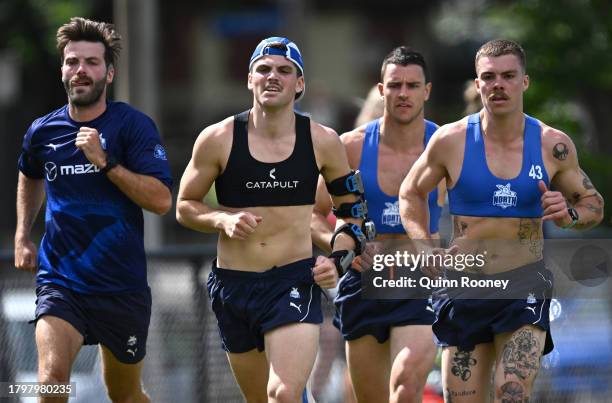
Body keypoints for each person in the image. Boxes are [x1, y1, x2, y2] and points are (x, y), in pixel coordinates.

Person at [399, 39, 604, 402]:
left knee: (511, 392)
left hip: (523, 286)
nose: (498, 85)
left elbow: (593, 205)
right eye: (489, 77)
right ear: (477, 85)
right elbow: (410, 194)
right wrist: (424, 244)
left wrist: (569, 215)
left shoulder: (551, 144)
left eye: (508, 76)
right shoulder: (451, 140)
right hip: (464, 286)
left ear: (524, 81)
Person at [176, 36, 367, 402]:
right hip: (234, 285)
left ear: (300, 84)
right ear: (250, 79)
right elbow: (185, 205)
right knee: (260, 399)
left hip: (292, 280)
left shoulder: (323, 141)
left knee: (281, 393)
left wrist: (338, 260)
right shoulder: (217, 139)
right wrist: (222, 220)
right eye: (263, 69)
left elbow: (353, 215)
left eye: (284, 70)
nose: (272, 77)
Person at [14, 17, 172, 403]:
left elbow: (161, 200)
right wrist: (23, 234)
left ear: (109, 72)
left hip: (121, 287)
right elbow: (29, 174)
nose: (80, 70)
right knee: (51, 381)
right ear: (62, 70)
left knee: (124, 395)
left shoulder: (133, 127)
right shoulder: (42, 131)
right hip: (61, 281)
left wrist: (105, 162)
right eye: (72, 62)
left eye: (91, 62)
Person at [311, 46, 442, 403]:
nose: (403, 93)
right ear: (381, 90)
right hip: (364, 282)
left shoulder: (446, 145)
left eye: (412, 85)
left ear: (426, 90)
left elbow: (469, 214)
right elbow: (311, 213)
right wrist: (342, 246)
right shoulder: (350, 148)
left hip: (420, 282)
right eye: (395, 85)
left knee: (405, 382)